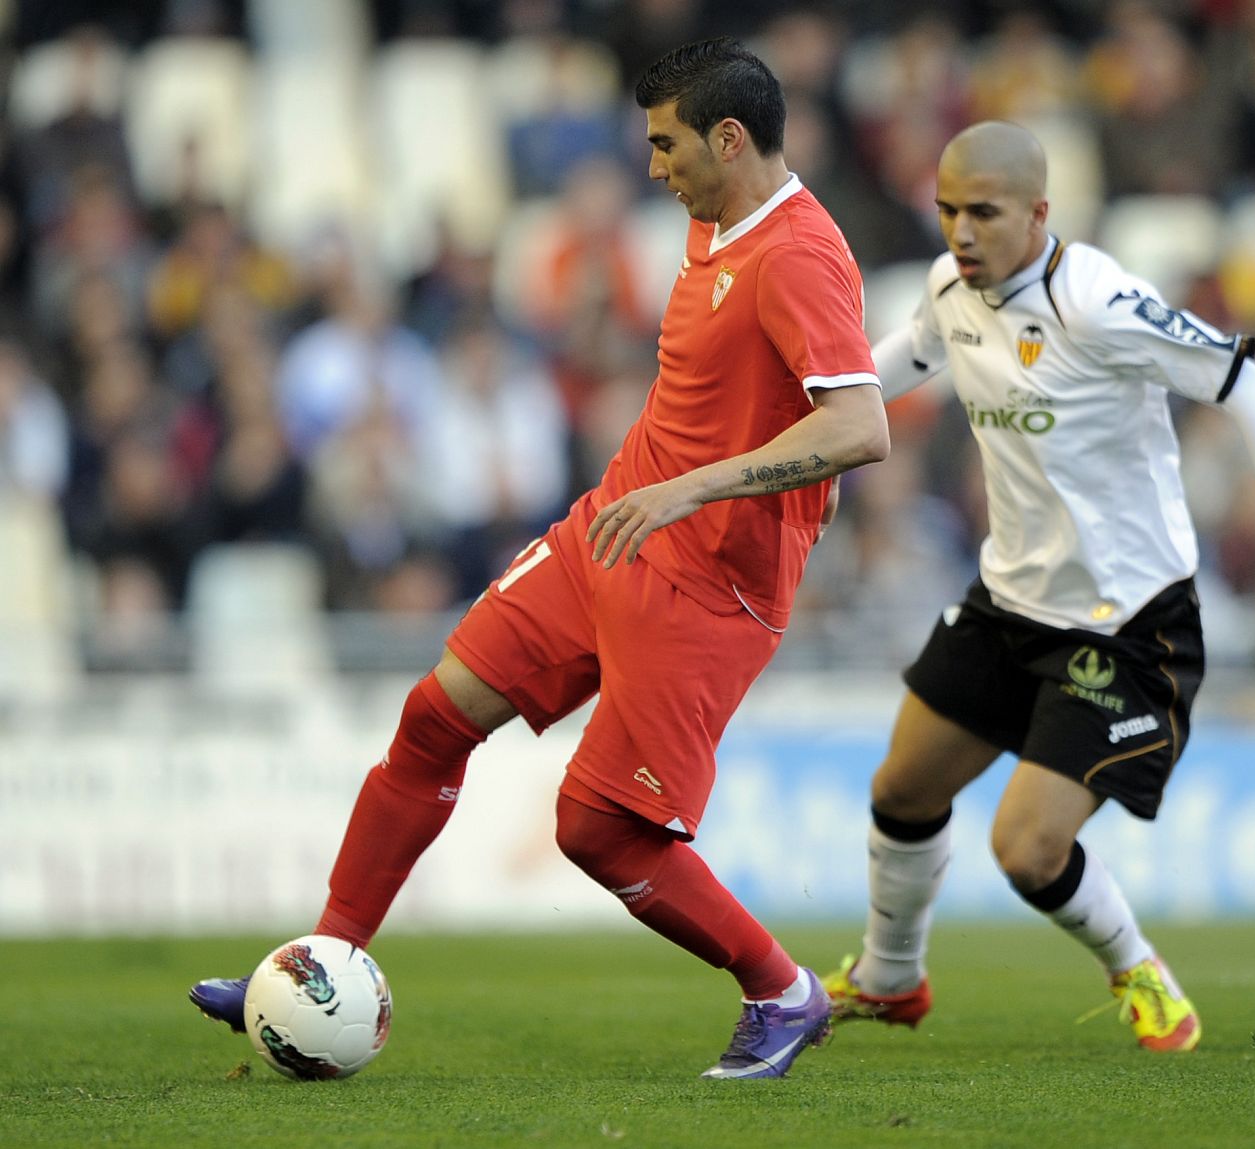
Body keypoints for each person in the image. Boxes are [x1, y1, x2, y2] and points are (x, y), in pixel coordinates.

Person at [189, 38, 889, 1081]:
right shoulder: (714, 222)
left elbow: (858, 428)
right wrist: (650, 484)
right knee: (433, 719)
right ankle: (324, 962)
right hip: (611, 530)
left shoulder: (796, 254)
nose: (655, 167)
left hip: (705, 583)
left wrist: (690, 487)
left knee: (598, 829)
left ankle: (780, 990)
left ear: (728, 138)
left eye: (667, 145)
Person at [822, 122, 1255, 1053]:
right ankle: (889, 977)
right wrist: (820, 403)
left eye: (983, 212)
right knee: (902, 787)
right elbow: (911, 350)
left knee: (1027, 850)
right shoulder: (952, 287)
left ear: (1039, 213)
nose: (960, 232)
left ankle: (1139, 967)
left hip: (1125, 625)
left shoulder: (1099, 302)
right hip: (1009, 602)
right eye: (947, 210)